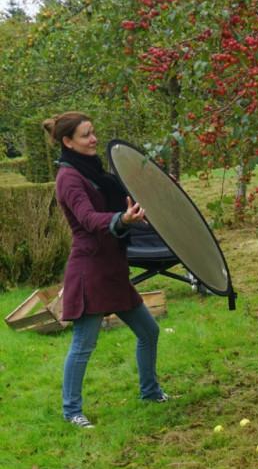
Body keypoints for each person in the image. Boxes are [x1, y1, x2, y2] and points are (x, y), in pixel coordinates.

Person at [44, 112, 168, 429]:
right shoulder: (69, 178)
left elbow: (121, 198)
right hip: (90, 270)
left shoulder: (94, 171)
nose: (94, 139)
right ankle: (72, 411)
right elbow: (87, 219)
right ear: (68, 142)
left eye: (94, 132)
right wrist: (120, 220)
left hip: (112, 268)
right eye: (86, 135)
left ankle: (150, 393)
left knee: (149, 331)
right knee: (84, 344)